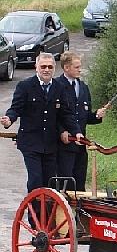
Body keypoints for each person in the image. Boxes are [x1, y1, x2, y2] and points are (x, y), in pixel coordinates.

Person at [1, 53, 81, 192]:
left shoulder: (59, 88)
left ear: (54, 68)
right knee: (35, 179)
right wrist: (9, 119)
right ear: (36, 67)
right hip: (30, 143)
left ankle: (46, 206)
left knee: (49, 182)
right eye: (43, 66)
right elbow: (16, 108)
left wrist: (77, 132)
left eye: (50, 67)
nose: (46, 70)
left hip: (50, 144)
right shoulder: (25, 86)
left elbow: (66, 114)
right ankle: (34, 206)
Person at [55, 51, 108, 191]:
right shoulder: (57, 86)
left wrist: (97, 116)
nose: (80, 70)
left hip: (81, 145)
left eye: (80, 66)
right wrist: (61, 131)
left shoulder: (83, 87)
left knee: (79, 183)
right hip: (64, 145)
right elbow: (54, 116)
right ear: (66, 67)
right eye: (77, 67)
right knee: (66, 184)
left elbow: (85, 116)